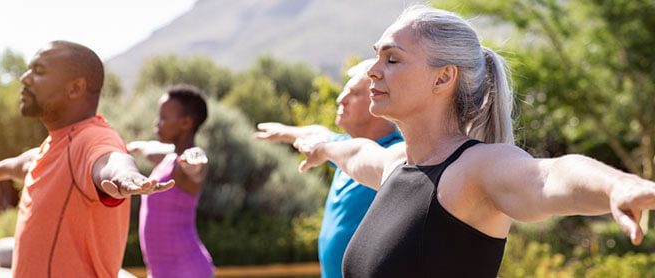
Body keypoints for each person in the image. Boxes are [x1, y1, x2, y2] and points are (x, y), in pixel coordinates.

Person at [293, 6, 655, 277]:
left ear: (443, 78)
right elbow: (354, 152)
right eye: (377, 56)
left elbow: (549, 176)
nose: (372, 70)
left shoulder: (474, 170)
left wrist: (617, 185)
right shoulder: (396, 164)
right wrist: (319, 142)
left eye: (391, 59)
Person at [0, 40, 174, 277]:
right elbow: (25, 163)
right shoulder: (56, 144)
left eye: (39, 71)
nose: (25, 78)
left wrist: (126, 176)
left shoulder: (92, 138)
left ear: (75, 88)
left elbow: (111, 160)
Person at [255, 59, 403, 278]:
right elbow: (317, 133)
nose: (340, 99)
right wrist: (285, 132)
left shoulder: (397, 156)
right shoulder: (339, 148)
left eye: (353, 93)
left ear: (379, 99)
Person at [127, 85, 214, 278]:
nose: (157, 123)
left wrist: (194, 164)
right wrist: (134, 147)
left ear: (185, 123)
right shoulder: (169, 157)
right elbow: (151, 149)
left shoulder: (186, 162)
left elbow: (196, 170)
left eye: (164, 118)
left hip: (188, 271)